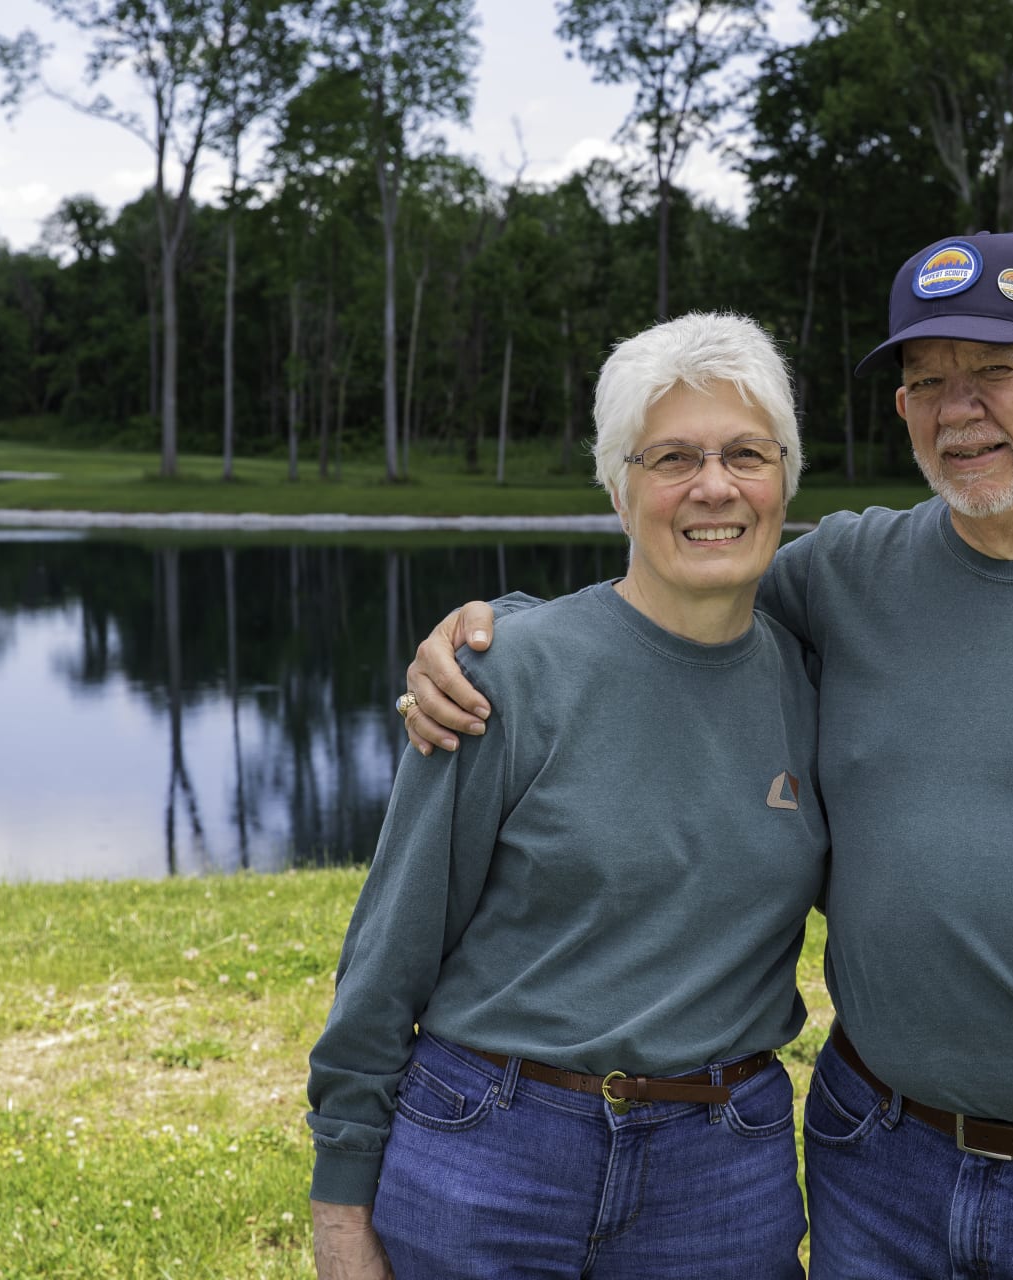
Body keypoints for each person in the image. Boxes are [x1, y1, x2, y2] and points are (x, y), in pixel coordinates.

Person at [402, 231, 1013, 1280]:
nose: (960, 408)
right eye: (927, 381)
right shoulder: (850, 571)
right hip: (876, 1161)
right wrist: (503, 630)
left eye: (997, 371)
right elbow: (670, 595)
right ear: (903, 408)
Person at [307, 311, 828, 1280]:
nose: (713, 485)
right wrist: (341, 1200)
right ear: (619, 487)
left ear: (784, 478)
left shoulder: (819, 684)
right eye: (672, 456)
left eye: (746, 453)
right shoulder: (504, 675)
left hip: (721, 1166)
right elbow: (390, 951)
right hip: (488, 1147)